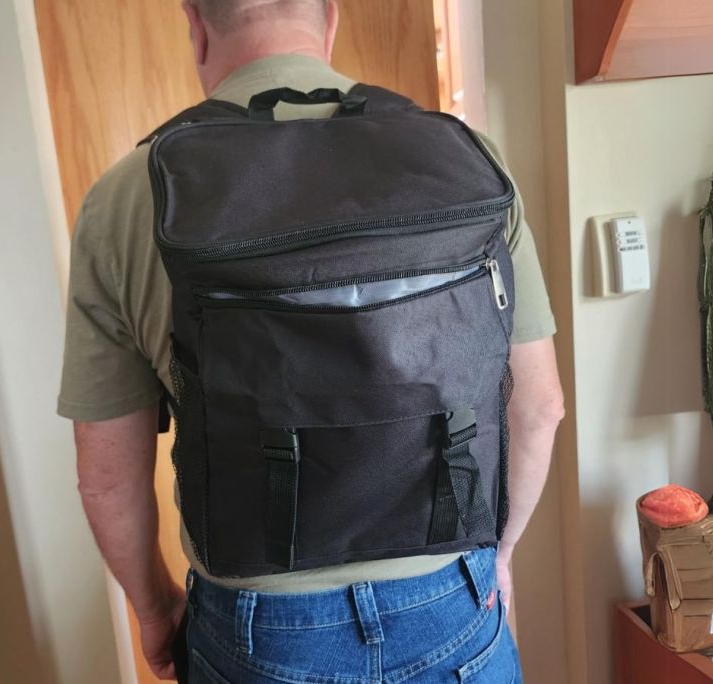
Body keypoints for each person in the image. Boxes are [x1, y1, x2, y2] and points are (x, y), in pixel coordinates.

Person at [57, 0, 564, 680]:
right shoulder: (464, 160)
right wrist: (496, 555)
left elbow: (105, 480)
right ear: (329, 18)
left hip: (258, 629)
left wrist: (154, 608)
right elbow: (539, 407)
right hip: (450, 599)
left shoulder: (127, 196)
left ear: (196, 26)